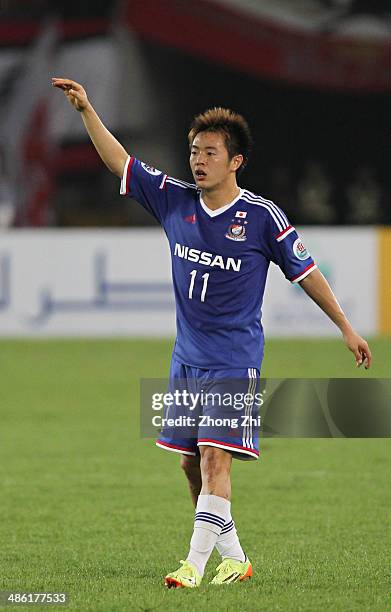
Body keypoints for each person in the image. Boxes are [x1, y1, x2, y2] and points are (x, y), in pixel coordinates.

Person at [52, 77, 372, 588]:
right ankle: (235, 557)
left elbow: (306, 272)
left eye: (209, 152)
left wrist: (346, 328)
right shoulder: (175, 201)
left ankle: (192, 566)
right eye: (194, 150)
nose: (198, 160)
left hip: (234, 358)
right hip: (187, 357)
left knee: (213, 455)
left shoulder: (261, 217)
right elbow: (122, 163)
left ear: (235, 161)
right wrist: (87, 109)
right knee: (189, 463)